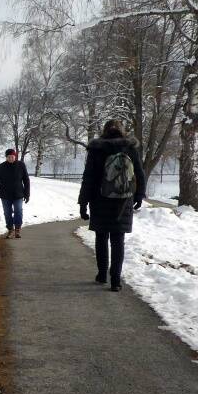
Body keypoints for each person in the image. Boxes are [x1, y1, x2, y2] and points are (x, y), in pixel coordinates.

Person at [78, 120, 146, 292]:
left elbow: (89, 177)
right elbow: (139, 173)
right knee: (118, 240)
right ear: (122, 131)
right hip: (124, 200)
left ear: (104, 131)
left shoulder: (96, 149)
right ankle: (115, 280)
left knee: (101, 238)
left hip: (99, 200)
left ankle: (102, 275)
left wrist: (83, 202)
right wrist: (139, 195)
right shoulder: (130, 147)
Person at [0, 148, 30, 238]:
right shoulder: (1, 166)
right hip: (5, 195)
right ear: (6, 157)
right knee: (7, 213)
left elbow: (26, 180)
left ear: (15, 156)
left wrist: (27, 194)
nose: (10, 158)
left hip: (18, 194)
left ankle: (17, 229)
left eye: (12, 157)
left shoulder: (21, 165)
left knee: (18, 211)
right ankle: (10, 230)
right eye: (9, 157)